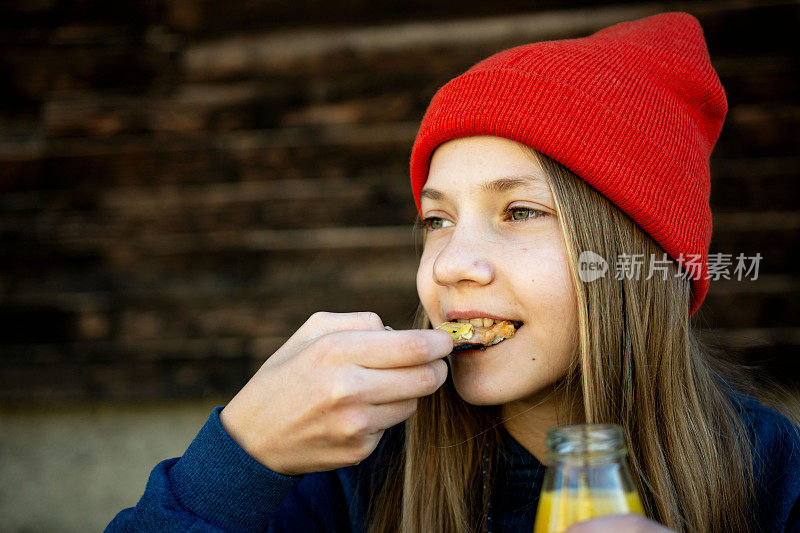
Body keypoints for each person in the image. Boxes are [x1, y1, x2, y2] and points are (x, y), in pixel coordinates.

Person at [106, 11, 800, 533]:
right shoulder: (354, 468)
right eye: (437, 221)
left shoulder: (771, 468)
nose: (451, 267)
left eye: (520, 211)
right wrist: (239, 453)